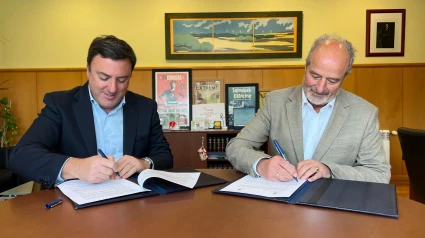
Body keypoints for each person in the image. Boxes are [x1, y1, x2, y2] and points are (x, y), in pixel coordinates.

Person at [9, 35, 173, 189]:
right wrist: (77, 167)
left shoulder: (145, 107)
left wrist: (144, 163)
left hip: (131, 204)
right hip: (73, 209)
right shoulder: (60, 105)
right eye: (104, 78)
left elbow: (164, 155)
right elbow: (21, 155)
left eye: (122, 80)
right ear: (88, 70)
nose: (112, 88)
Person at [226, 34, 390, 184]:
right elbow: (236, 146)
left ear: (345, 76)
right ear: (305, 67)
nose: (320, 88)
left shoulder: (365, 114)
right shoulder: (275, 102)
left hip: (335, 209)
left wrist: (329, 170)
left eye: (332, 81)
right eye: (315, 76)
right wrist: (261, 164)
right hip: (283, 206)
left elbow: (379, 174)